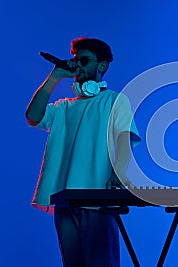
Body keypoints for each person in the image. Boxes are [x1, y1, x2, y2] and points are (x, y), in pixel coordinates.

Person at [26, 37, 140, 267]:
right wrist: (55, 76)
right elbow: (33, 116)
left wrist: (118, 172)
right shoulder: (64, 107)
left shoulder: (115, 101)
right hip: (66, 201)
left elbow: (124, 137)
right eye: (75, 60)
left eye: (84, 60)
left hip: (98, 199)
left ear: (102, 66)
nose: (77, 65)